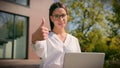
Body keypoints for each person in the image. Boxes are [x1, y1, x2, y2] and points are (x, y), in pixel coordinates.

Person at [32, 2, 81, 68]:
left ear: (67, 17)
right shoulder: (45, 37)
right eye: (56, 16)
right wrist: (35, 38)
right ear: (51, 18)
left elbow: (78, 62)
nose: (61, 19)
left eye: (63, 15)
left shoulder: (74, 40)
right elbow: (39, 52)